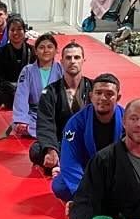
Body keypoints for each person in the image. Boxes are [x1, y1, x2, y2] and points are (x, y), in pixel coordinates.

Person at [54, 74, 123, 203]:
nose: (103, 98)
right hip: (86, 173)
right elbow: (70, 160)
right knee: (60, 186)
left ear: (118, 97)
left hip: (115, 174)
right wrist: (84, 197)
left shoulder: (127, 121)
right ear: (91, 96)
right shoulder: (76, 123)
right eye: (98, 93)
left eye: (109, 94)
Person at [30, 41, 92, 178]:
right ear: (62, 62)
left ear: (83, 60)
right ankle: (66, 163)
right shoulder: (50, 91)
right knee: (36, 150)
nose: (72, 61)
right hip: (60, 143)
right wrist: (50, 149)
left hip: (86, 142)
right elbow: (45, 123)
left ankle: (61, 165)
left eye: (77, 57)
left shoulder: (94, 88)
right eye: (68, 58)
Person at [9, 32, 60, 139]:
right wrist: (21, 120)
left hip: (57, 113)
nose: (46, 50)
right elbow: (21, 95)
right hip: (35, 114)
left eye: (50, 47)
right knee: (19, 126)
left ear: (56, 50)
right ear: (36, 51)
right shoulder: (28, 70)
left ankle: (45, 131)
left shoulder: (61, 69)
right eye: (41, 47)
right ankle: (53, 132)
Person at [0, 16, 35, 110]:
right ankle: (21, 102)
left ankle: (12, 103)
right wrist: (12, 88)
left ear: (24, 31)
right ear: (7, 32)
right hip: (10, 89)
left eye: (19, 29)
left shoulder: (33, 51)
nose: (15, 33)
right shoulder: (0, 53)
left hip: (28, 87)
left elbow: (38, 73)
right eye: (12, 30)